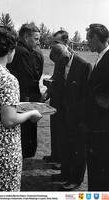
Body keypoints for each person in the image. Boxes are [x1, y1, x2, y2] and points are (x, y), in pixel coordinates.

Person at [0, 25, 42, 191]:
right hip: (1, 150)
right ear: (10, 50)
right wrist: (32, 112)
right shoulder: (7, 78)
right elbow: (9, 120)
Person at [43, 30, 91, 191]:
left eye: (62, 63)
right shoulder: (59, 61)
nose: (60, 65)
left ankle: (75, 179)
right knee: (64, 146)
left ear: (67, 55)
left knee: (77, 149)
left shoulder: (84, 66)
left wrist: (84, 120)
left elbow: (86, 96)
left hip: (77, 116)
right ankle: (64, 174)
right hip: (62, 113)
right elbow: (58, 82)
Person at [7, 23, 44, 159]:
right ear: (26, 37)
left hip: (21, 96)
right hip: (25, 96)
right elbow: (31, 77)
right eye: (36, 39)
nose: (38, 42)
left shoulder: (25, 51)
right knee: (26, 129)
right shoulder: (22, 53)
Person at [85, 23, 109, 191]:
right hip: (96, 124)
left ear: (98, 38)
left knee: (100, 169)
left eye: (89, 38)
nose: (87, 42)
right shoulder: (101, 56)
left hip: (103, 126)